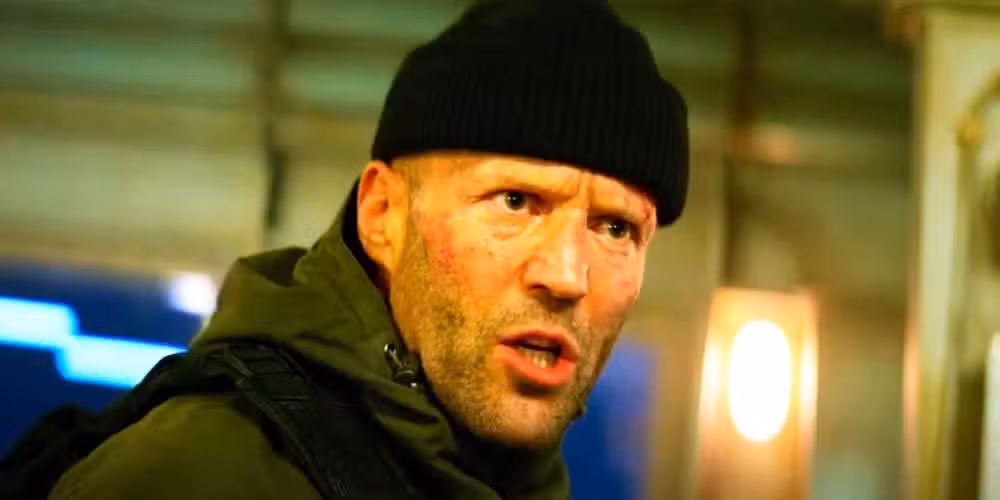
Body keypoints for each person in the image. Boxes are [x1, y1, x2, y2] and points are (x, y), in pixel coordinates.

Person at [47, 0, 688, 498]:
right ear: (383, 214)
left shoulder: (508, 479)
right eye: (516, 201)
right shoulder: (189, 477)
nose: (568, 275)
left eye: (615, 229)